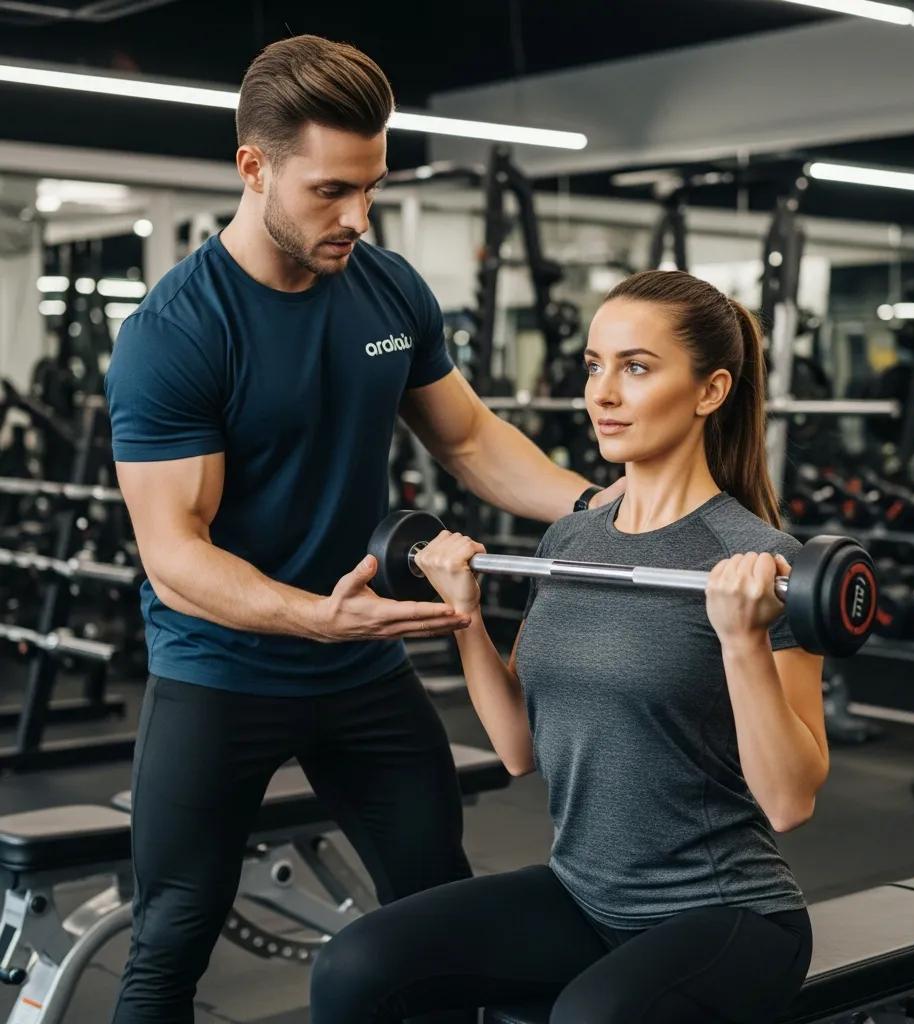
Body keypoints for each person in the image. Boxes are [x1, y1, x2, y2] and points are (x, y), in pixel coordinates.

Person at [103, 34, 622, 1024]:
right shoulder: (177, 333)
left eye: (371, 187)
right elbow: (175, 555)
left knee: (435, 912)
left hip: (360, 675)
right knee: (170, 937)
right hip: (221, 672)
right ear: (252, 167)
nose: (357, 216)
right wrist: (312, 617)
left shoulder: (386, 290)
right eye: (330, 191)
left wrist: (601, 505)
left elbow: (468, 437)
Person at [309, 271, 827, 1024]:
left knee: (589, 1019)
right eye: (594, 365)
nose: (603, 393)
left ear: (710, 391)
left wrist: (744, 638)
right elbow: (520, 747)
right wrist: (466, 617)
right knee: (355, 967)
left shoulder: (761, 561)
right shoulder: (570, 540)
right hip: (583, 893)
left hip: (726, 914)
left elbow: (789, 801)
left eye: (637, 367)